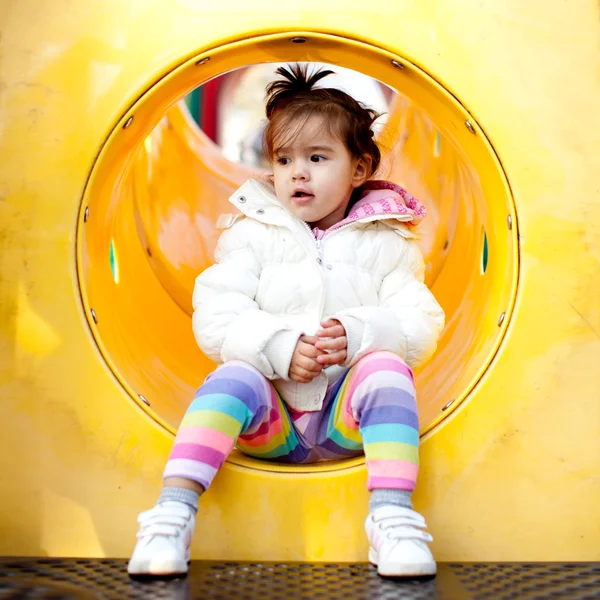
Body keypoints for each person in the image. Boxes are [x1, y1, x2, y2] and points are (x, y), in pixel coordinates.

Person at [128, 64, 445, 578]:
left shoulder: (388, 241)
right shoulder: (251, 234)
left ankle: (392, 518)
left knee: (386, 368)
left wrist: (361, 336)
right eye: (283, 159)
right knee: (233, 377)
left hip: (347, 422)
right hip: (272, 422)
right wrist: (276, 345)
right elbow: (217, 314)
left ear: (359, 169)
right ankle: (172, 515)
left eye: (317, 158)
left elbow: (421, 321)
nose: (298, 172)